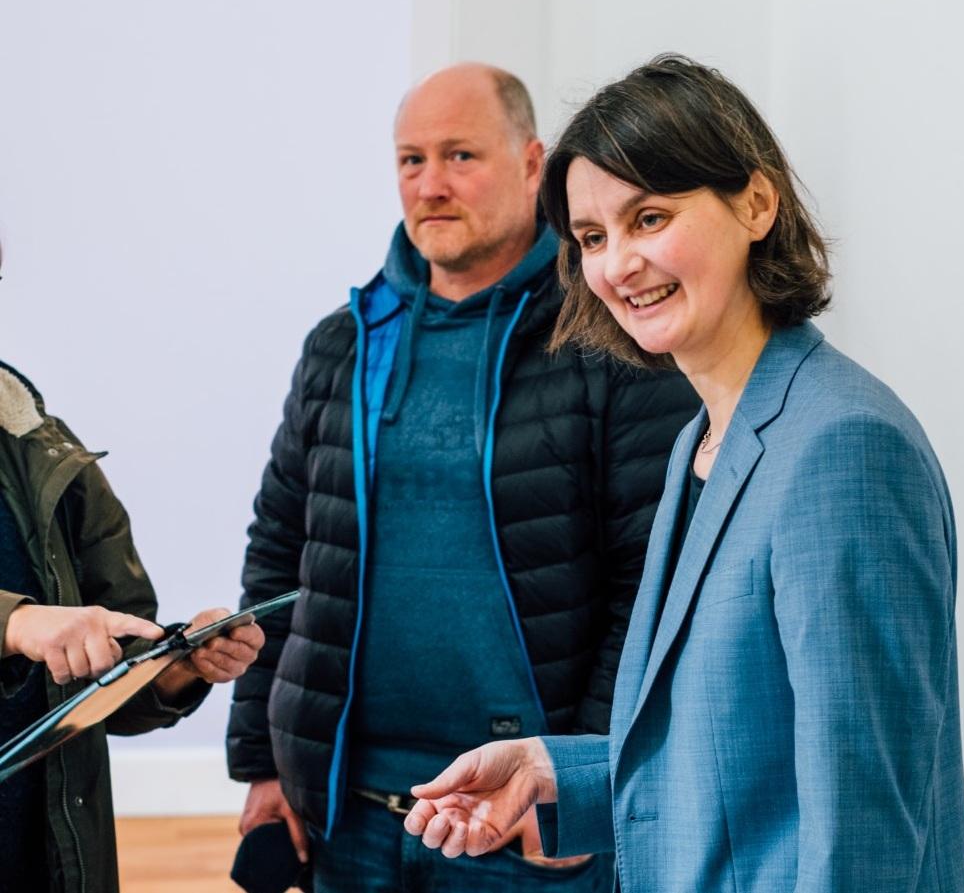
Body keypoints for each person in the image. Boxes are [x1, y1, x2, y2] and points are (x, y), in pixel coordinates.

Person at [402, 55, 964, 893]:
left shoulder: (844, 445)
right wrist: (549, 769)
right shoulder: (699, 441)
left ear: (756, 204)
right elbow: (734, 750)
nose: (617, 265)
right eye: (592, 238)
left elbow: (864, 821)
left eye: (649, 218)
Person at [226, 63, 697, 892]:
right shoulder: (343, 344)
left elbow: (651, 583)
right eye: (411, 160)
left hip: (519, 823)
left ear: (531, 164)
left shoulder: (612, 344)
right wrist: (263, 758)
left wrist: (580, 783)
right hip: (348, 815)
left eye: (460, 156)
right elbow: (279, 555)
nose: (431, 184)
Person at [0, 244, 266, 893]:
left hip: (48, 859)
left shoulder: (41, 446)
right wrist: (15, 623)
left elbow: (113, 670)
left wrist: (180, 663)